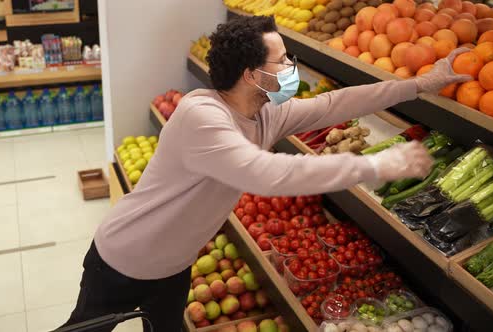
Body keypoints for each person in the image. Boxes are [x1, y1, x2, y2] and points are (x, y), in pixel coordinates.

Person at [60, 15, 471, 332]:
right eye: (283, 59)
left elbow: (335, 104)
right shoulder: (202, 116)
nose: (293, 65)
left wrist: (420, 84)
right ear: (252, 75)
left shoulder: (264, 112)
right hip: (122, 259)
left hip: (173, 266)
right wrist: (375, 164)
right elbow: (268, 174)